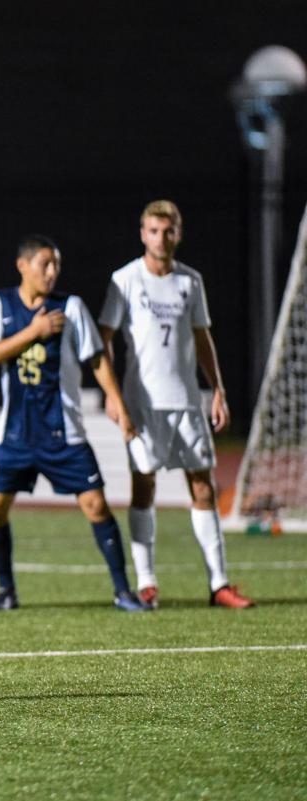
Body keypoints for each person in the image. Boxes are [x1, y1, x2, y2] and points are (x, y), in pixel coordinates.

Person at [0, 235, 151, 612]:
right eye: (45, 264)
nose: (52, 272)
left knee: (96, 506)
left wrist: (116, 402)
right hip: (15, 433)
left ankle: (123, 590)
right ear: (22, 266)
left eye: (56, 265)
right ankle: (6, 590)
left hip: (64, 432)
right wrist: (33, 333)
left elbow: (97, 358)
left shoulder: (71, 307)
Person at [98, 200, 254, 608]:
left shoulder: (190, 281)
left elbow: (202, 338)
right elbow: (104, 338)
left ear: (178, 233)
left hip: (186, 402)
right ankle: (147, 582)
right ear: (142, 233)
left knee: (203, 486)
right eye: (153, 231)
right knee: (143, 487)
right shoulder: (125, 280)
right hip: (143, 405)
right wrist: (112, 396)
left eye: (168, 231)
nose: (161, 238)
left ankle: (219, 584)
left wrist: (217, 389)